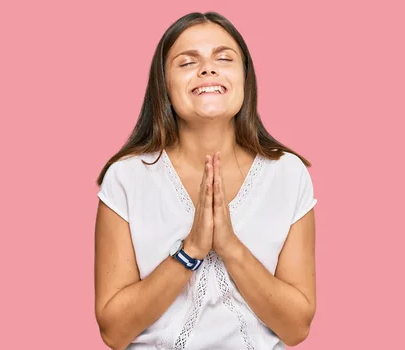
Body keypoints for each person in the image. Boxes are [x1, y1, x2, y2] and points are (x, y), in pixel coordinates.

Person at [93, 11, 318, 350]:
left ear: (245, 78)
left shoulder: (288, 174)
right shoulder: (126, 177)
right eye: (186, 63)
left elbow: (296, 327)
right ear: (163, 85)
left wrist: (231, 249)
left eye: (224, 58)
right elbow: (114, 331)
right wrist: (191, 250)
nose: (208, 69)